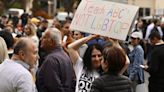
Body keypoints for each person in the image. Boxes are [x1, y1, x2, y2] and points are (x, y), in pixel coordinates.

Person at [36, 28, 75, 92]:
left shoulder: (51, 60)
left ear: (51, 42)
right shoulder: (66, 56)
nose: (41, 39)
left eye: (44, 38)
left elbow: (54, 87)